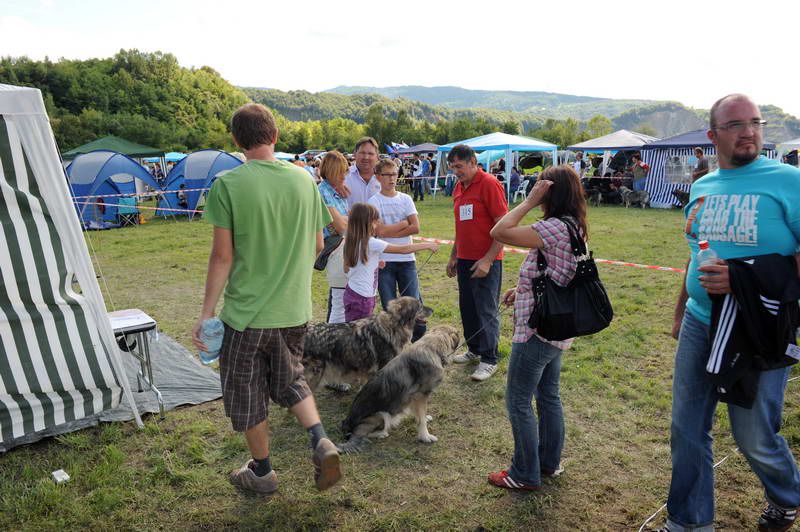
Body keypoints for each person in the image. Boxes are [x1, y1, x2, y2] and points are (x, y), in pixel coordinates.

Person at [661, 94, 800, 532]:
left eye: (755, 122)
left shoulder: (789, 181)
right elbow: (696, 253)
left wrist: (743, 278)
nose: (749, 132)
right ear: (713, 135)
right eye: (736, 124)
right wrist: (683, 308)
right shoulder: (703, 186)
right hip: (703, 322)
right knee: (686, 428)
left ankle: (787, 495)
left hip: (760, 326)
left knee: (753, 435)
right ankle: (689, 521)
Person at [192, 103, 341, 495]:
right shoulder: (304, 181)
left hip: (246, 316)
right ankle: (320, 439)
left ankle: (262, 471)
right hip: (294, 310)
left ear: (237, 142)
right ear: (274, 136)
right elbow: (319, 243)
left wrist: (207, 312)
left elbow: (222, 257)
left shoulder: (228, 185)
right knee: (291, 377)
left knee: (247, 393)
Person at [486, 164, 587, 491]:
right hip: (557, 325)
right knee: (548, 396)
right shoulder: (574, 225)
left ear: (550, 191)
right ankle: (548, 463)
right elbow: (557, 271)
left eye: (542, 186)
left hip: (537, 330)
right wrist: (523, 288)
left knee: (518, 400)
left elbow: (499, 232)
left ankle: (525, 473)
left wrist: (528, 202)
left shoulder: (555, 226)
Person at [446, 144, 509, 381]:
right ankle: (474, 349)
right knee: (468, 307)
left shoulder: (489, 184)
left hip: (487, 261)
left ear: (473, 162)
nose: (456, 172)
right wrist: (454, 255)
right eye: (452, 167)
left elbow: (503, 226)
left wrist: (488, 259)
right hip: (464, 258)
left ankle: (489, 359)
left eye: (459, 167)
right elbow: (461, 227)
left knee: (486, 309)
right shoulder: (458, 187)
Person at [342, 203, 437, 322]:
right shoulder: (371, 242)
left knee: (353, 331)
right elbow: (403, 249)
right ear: (365, 223)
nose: (378, 224)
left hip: (352, 292)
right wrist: (427, 245)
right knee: (358, 335)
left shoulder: (351, 241)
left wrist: (374, 264)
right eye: (375, 221)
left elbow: (347, 269)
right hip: (363, 298)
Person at [368, 159, 427, 340]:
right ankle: (394, 344)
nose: (392, 178)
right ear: (378, 177)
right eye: (387, 175)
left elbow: (415, 227)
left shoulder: (406, 199)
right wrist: (403, 223)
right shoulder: (373, 201)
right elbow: (378, 231)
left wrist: (389, 229)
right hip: (385, 261)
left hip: (407, 260)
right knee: (390, 307)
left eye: (394, 174)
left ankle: (418, 343)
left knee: (413, 305)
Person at [317, 151, 350, 324]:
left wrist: (342, 221)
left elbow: (345, 222)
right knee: (339, 301)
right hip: (333, 249)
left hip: (340, 248)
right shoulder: (323, 192)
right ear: (331, 172)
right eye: (341, 172)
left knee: (341, 300)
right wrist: (343, 221)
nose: (344, 176)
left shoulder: (337, 192)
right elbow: (342, 226)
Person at [344, 137, 382, 208]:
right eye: (362, 153)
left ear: (377, 156)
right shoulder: (343, 177)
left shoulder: (385, 178)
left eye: (370, 154)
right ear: (355, 154)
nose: (366, 157)